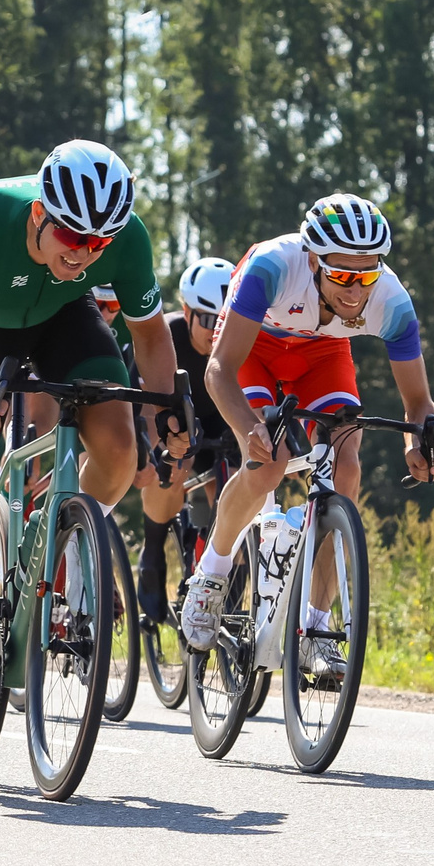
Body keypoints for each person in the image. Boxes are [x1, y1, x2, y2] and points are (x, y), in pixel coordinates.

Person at [0, 141, 180, 748]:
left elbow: (152, 337)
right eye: (71, 238)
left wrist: (164, 414)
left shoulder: (122, 239)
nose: (83, 253)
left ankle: (63, 547)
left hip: (62, 318)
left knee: (117, 446)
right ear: (38, 216)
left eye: (98, 245)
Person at [178, 196, 434, 662]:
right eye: (341, 274)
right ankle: (211, 573)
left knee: (346, 467)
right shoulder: (272, 267)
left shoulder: (392, 299)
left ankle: (316, 630)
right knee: (268, 464)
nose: (354, 290)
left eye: (366, 276)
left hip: (323, 354)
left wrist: (419, 442)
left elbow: (418, 403)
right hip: (254, 349)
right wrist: (248, 431)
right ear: (313, 260)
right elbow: (218, 370)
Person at [129, 257, 238, 623]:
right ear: (187, 312)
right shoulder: (167, 336)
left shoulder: (243, 340)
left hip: (222, 424)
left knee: (238, 493)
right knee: (172, 467)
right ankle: (153, 553)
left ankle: (228, 578)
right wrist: (156, 449)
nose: (216, 331)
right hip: (172, 419)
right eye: (208, 320)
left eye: (224, 322)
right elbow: (142, 406)